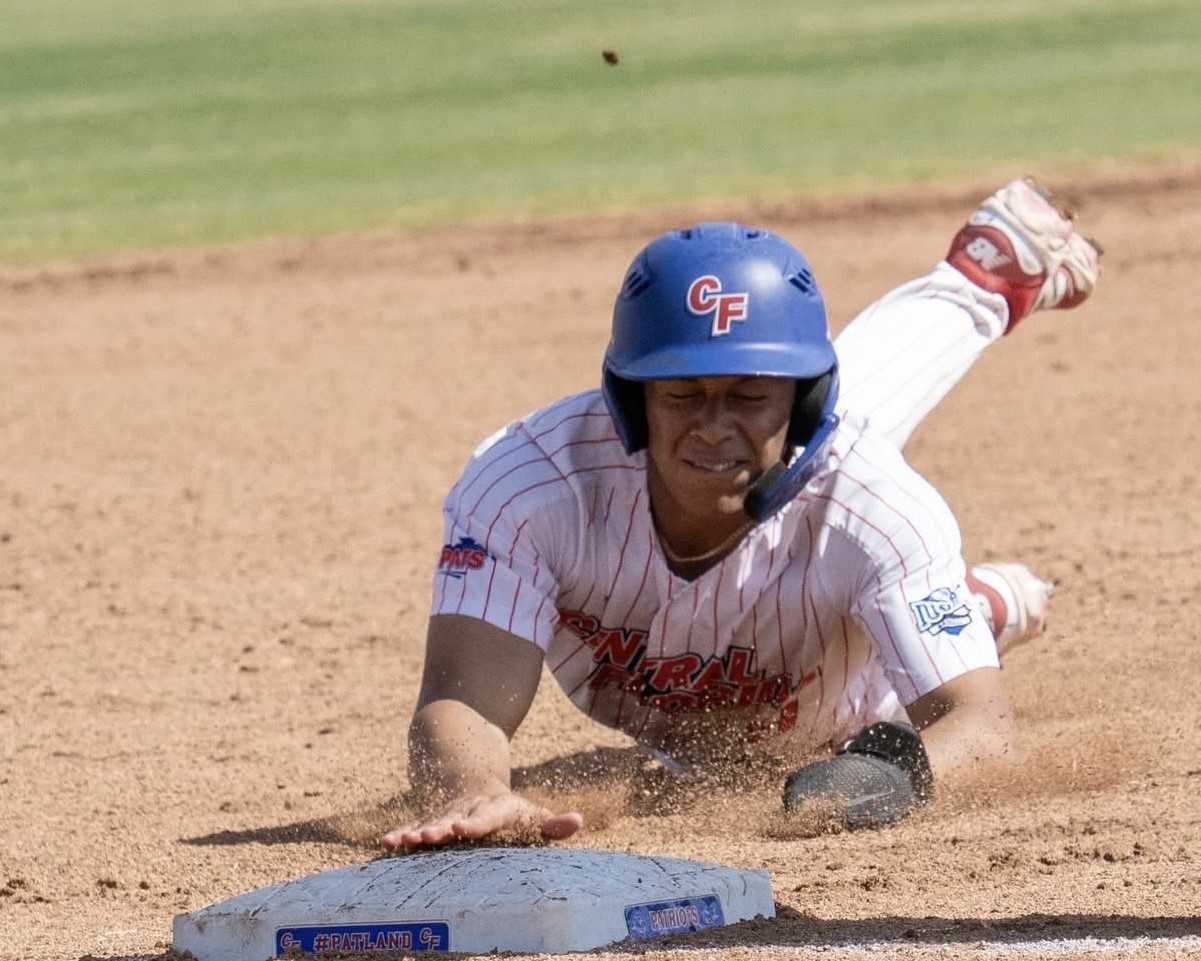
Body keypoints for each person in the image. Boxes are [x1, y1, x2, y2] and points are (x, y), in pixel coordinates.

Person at [381, 179, 1101, 851]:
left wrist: (889, 772)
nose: (713, 425)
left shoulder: (872, 502)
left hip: (842, 695)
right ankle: (963, 604)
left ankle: (948, 606)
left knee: (864, 510)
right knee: (841, 509)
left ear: (804, 402)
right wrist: (472, 793)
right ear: (631, 400)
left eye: (750, 395)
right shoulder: (530, 486)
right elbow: (461, 696)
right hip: (764, 651)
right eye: (681, 395)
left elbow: (980, 727)